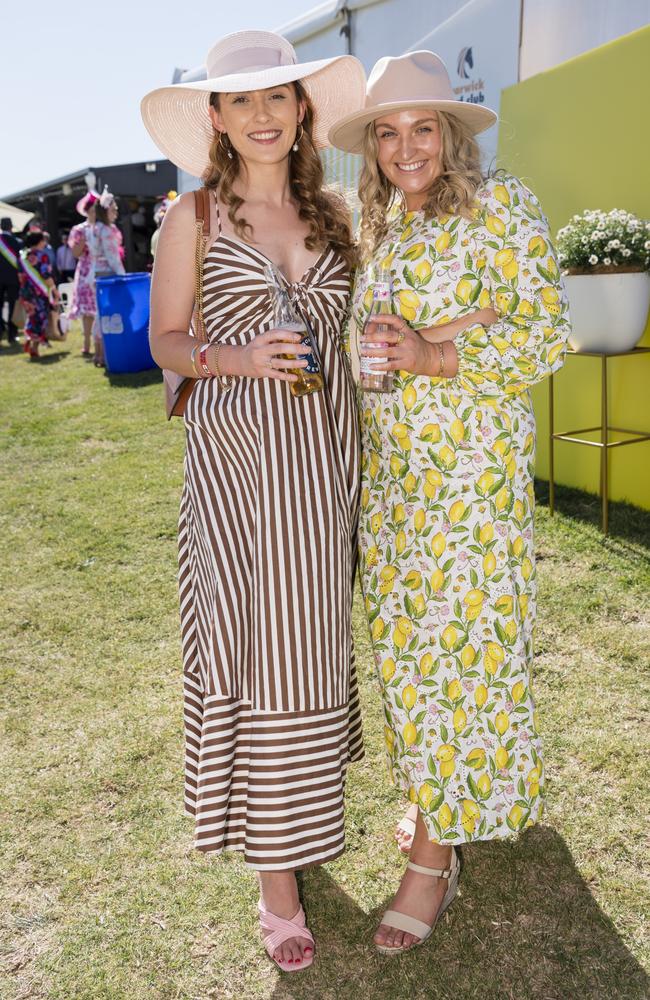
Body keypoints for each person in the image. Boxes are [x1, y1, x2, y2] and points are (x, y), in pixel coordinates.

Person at [329, 51, 571, 954]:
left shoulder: (500, 203)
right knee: (406, 648)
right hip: (391, 476)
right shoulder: (380, 223)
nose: (404, 147)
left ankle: (432, 859)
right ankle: (442, 794)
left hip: (467, 476)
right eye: (387, 133)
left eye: (421, 127)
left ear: (453, 132)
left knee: (461, 647)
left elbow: (545, 330)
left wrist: (442, 352)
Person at [142, 30, 366, 973]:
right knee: (254, 650)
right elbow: (163, 341)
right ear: (218, 120)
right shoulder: (192, 215)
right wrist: (232, 356)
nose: (263, 114)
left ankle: (301, 823)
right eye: (242, 101)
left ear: (303, 110)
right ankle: (278, 881)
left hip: (325, 469)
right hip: (237, 474)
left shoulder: (344, 214)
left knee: (307, 652)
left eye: (278, 96)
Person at [91, 186, 125, 366]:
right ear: (106, 210)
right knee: (108, 315)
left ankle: (98, 355)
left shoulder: (95, 228)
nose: (116, 212)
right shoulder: (107, 230)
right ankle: (103, 355)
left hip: (97, 274)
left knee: (100, 314)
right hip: (108, 277)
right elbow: (113, 257)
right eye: (114, 209)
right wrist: (123, 277)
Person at [18, 230, 60, 359]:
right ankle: (34, 348)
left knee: (32, 317)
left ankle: (30, 341)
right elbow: (46, 275)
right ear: (39, 241)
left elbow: (20, 275)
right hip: (38, 293)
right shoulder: (42, 256)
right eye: (43, 240)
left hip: (25, 292)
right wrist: (54, 290)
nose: (45, 243)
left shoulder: (23, 256)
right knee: (40, 318)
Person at [68, 191, 99, 357]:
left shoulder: (104, 228)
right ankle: (87, 342)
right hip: (86, 270)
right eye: (93, 209)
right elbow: (75, 253)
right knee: (87, 311)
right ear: (86, 211)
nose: (95, 212)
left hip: (101, 269)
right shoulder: (79, 229)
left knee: (101, 308)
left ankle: (100, 343)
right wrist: (84, 239)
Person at [0, 217, 23, 343]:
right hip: (13, 279)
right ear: (11, 227)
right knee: (12, 306)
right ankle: (12, 335)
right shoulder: (17, 242)